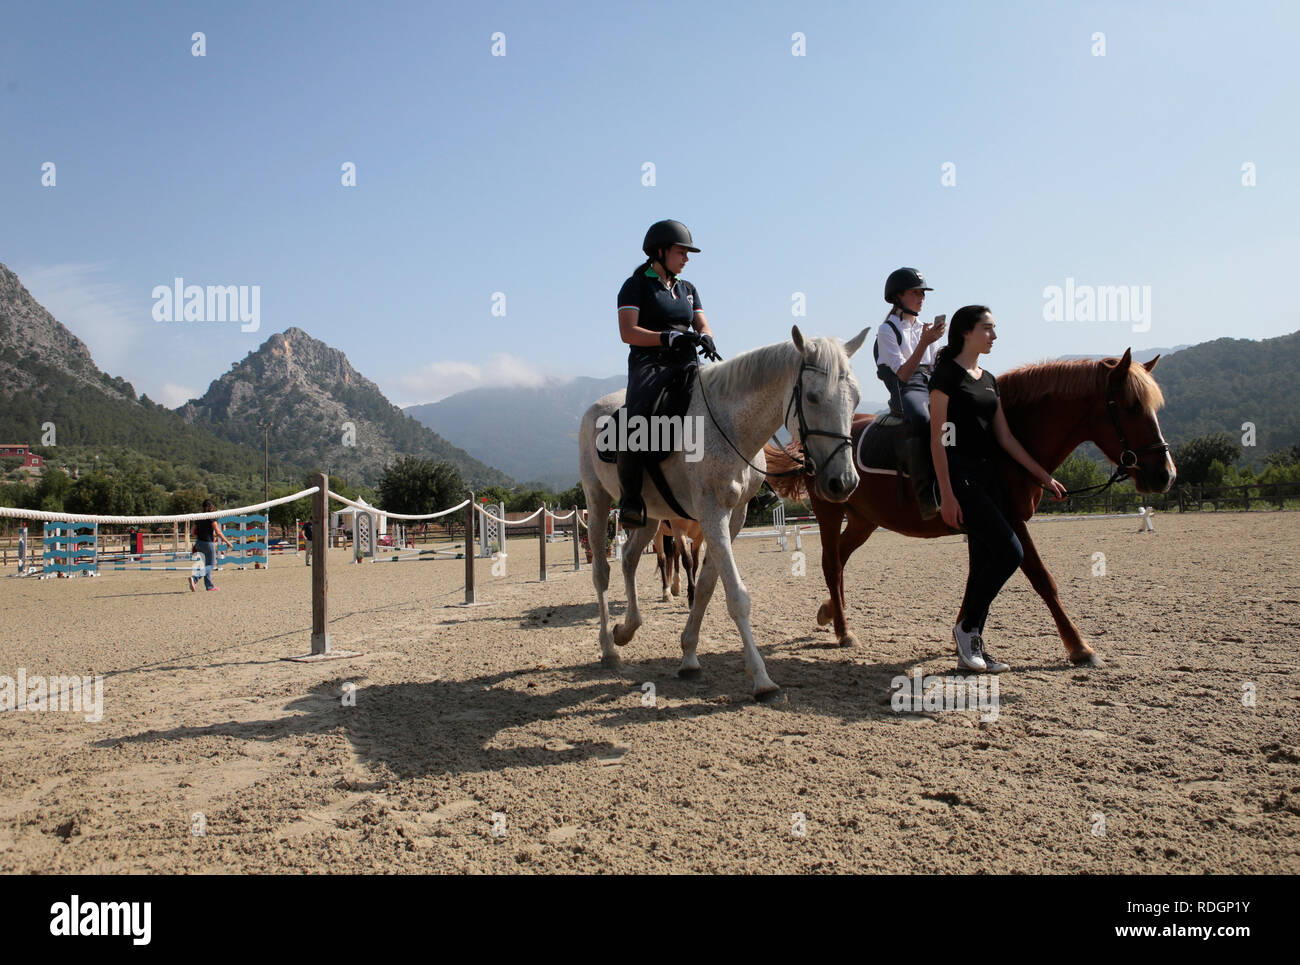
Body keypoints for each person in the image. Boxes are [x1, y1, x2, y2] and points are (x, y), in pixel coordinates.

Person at [928, 305, 1067, 674]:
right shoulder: (945, 376)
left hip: (989, 476)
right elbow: (938, 440)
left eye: (994, 329)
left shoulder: (988, 378)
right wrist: (947, 492)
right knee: (1010, 552)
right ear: (965, 332)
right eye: (987, 328)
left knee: (985, 562)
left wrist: (1043, 476)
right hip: (961, 475)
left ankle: (972, 644)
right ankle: (966, 627)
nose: (994, 335)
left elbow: (1004, 436)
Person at [614, 219, 720, 527]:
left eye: (687, 254)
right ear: (660, 252)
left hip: (687, 359)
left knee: (723, 400)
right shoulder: (635, 286)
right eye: (681, 252)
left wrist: (707, 335)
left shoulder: (688, 289)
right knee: (638, 416)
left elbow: (701, 322)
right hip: (650, 363)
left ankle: (753, 484)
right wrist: (664, 337)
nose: (686, 258)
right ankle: (631, 500)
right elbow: (628, 332)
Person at [874, 267, 944, 518]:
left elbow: (935, 364)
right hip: (907, 387)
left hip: (931, 381)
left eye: (923, 293)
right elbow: (902, 374)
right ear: (899, 296)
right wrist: (925, 342)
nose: (922, 297)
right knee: (924, 420)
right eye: (916, 293)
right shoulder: (887, 330)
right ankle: (926, 497)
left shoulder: (926, 329)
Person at [189, 499, 234, 591]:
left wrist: (204, 534)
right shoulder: (211, 517)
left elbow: (192, 532)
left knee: (206, 565)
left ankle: (209, 586)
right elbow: (218, 532)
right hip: (208, 543)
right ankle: (195, 578)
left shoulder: (199, 517)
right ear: (212, 507)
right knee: (211, 565)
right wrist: (228, 542)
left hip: (199, 543)